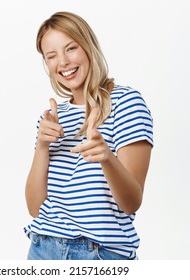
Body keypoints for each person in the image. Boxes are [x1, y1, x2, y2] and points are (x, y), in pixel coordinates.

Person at [24, 11, 153, 260]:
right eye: (51, 56)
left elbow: (131, 202)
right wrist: (42, 147)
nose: (62, 62)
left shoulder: (126, 103)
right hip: (43, 249)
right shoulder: (51, 119)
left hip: (97, 254)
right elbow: (35, 208)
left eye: (70, 48)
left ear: (88, 47)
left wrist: (107, 158)